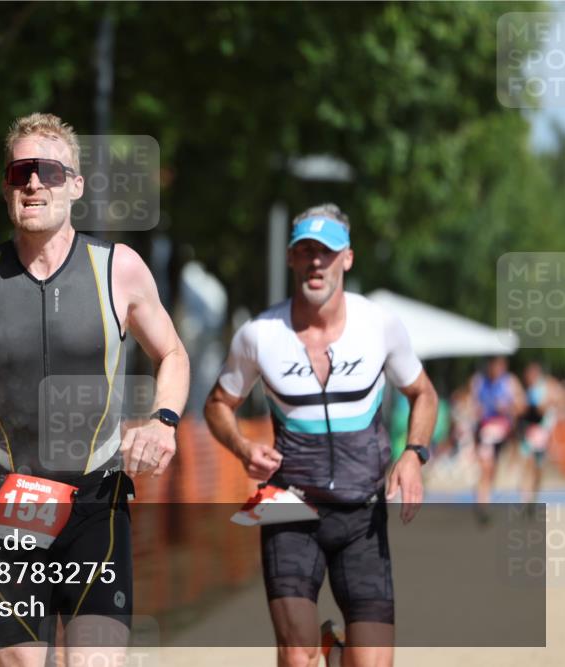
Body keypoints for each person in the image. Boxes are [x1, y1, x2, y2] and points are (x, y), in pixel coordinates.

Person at [0, 113, 190, 667]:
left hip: (97, 503)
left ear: (75, 186)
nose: (33, 183)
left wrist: (163, 421)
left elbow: (173, 354)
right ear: (7, 188)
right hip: (14, 504)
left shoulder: (119, 270)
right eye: (20, 173)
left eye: (49, 172)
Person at [204, 203, 438, 667]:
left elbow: (423, 393)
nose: (316, 262)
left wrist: (413, 453)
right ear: (291, 258)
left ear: (347, 258)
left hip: (362, 513)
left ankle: (336, 649)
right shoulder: (259, 335)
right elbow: (217, 404)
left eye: (326, 252)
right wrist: (242, 446)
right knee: (297, 655)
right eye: (306, 250)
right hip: (288, 505)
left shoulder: (379, 325)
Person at [470, 356, 525, 517]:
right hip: (485, 431)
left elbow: (521, 406)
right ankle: (482, 503)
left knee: (494, 468)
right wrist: (476, 411)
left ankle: (486, 497)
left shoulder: (510, 382)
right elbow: (471, 405)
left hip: (504, 431)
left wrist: (508, 408)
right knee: (486, 467)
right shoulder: (479, 381)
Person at [518, 362, 560, 507]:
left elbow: (550, 405)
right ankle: (526, 495)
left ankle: (533, 494)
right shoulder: (527, 390)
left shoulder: (546, 386)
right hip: (529, 430)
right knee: (527, 462)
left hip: (541, 431)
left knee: (538, 467)